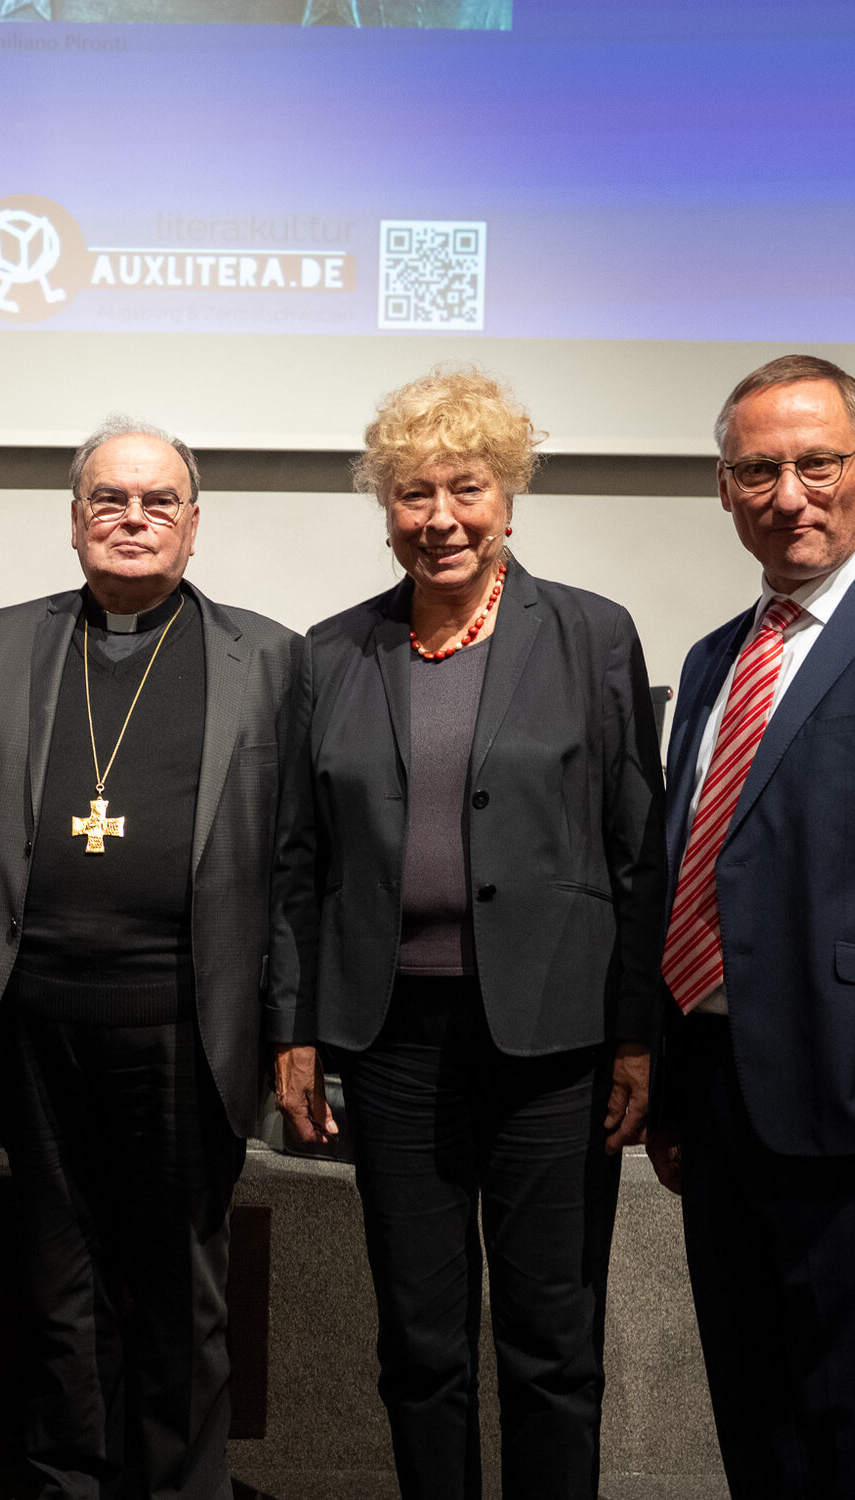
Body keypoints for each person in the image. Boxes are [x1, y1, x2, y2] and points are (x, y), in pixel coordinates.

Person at [273, 367, 667, 1499]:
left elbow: (636, 852)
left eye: (466, 489)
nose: (439, 518)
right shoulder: (331, 654)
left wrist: (637, 1036)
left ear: (508, 498)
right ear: (384, 508)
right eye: (413, 493)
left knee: (551, 1342)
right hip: (391, 1042)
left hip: (555, 1045)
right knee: (418, 1341)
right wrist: (295, 1030)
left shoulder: (591, 635)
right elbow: (299, 862)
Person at [0, 415, 303, 1500]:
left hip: (186, 1021)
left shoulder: (267, 656)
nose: (132, 518)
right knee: (57, 1278)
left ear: (193, 524)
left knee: (181, 1286)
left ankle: (180, 1488)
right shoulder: (5, 640)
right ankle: (65, 1481)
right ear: (74, 520)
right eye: (109, 500)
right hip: (36, 1019)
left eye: (157, 500)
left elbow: (292, 860)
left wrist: (291, 1024)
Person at [644, 356, 855, 1497]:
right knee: (757, 1429)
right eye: (757, 471)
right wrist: (672, 1090)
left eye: (815, 464)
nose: (789, 496)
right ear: (723, 489)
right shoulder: (711, 658)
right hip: (719, 1104)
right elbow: (688, 870)